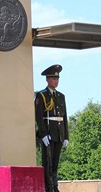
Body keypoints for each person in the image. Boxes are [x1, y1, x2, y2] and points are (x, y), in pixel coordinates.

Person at [35, 64, 69, 192]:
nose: (56, 81)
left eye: (57, 79)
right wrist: (43, 133)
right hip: (49, 133)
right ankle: (49, 188)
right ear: (47, 79)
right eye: (53, 78)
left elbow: (64, 117)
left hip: (59, 133)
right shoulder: (42, 95)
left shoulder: (61, 96)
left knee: (55, 162)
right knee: (48, 163)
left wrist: (66, 135)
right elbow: (39, 116)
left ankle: (55, 186)